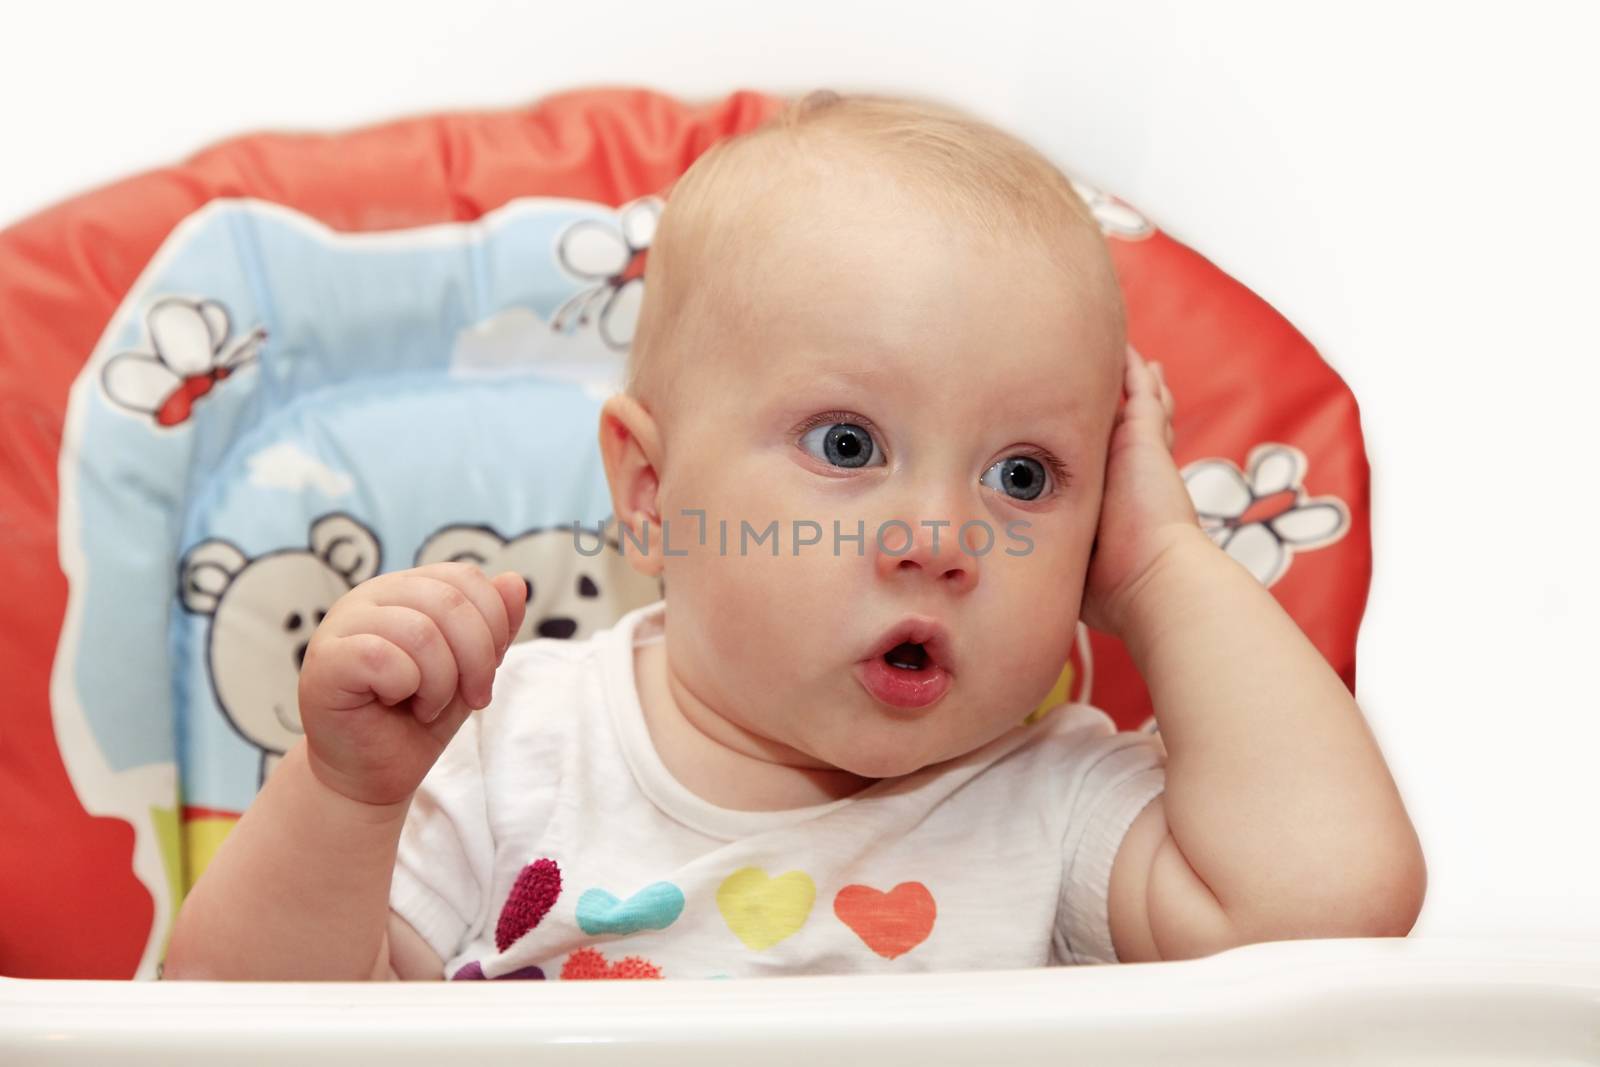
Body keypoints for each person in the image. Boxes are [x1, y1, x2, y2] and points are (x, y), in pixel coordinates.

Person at [164, 91, 1425, 981]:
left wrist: (1159, 564)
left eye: (1026, 474)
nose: (939, 535)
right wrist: (344, 797)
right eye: (847, 446)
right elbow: (238, 1027)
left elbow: (1329, 916)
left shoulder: (1051, 803)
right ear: (653, 494)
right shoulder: (507, 751)